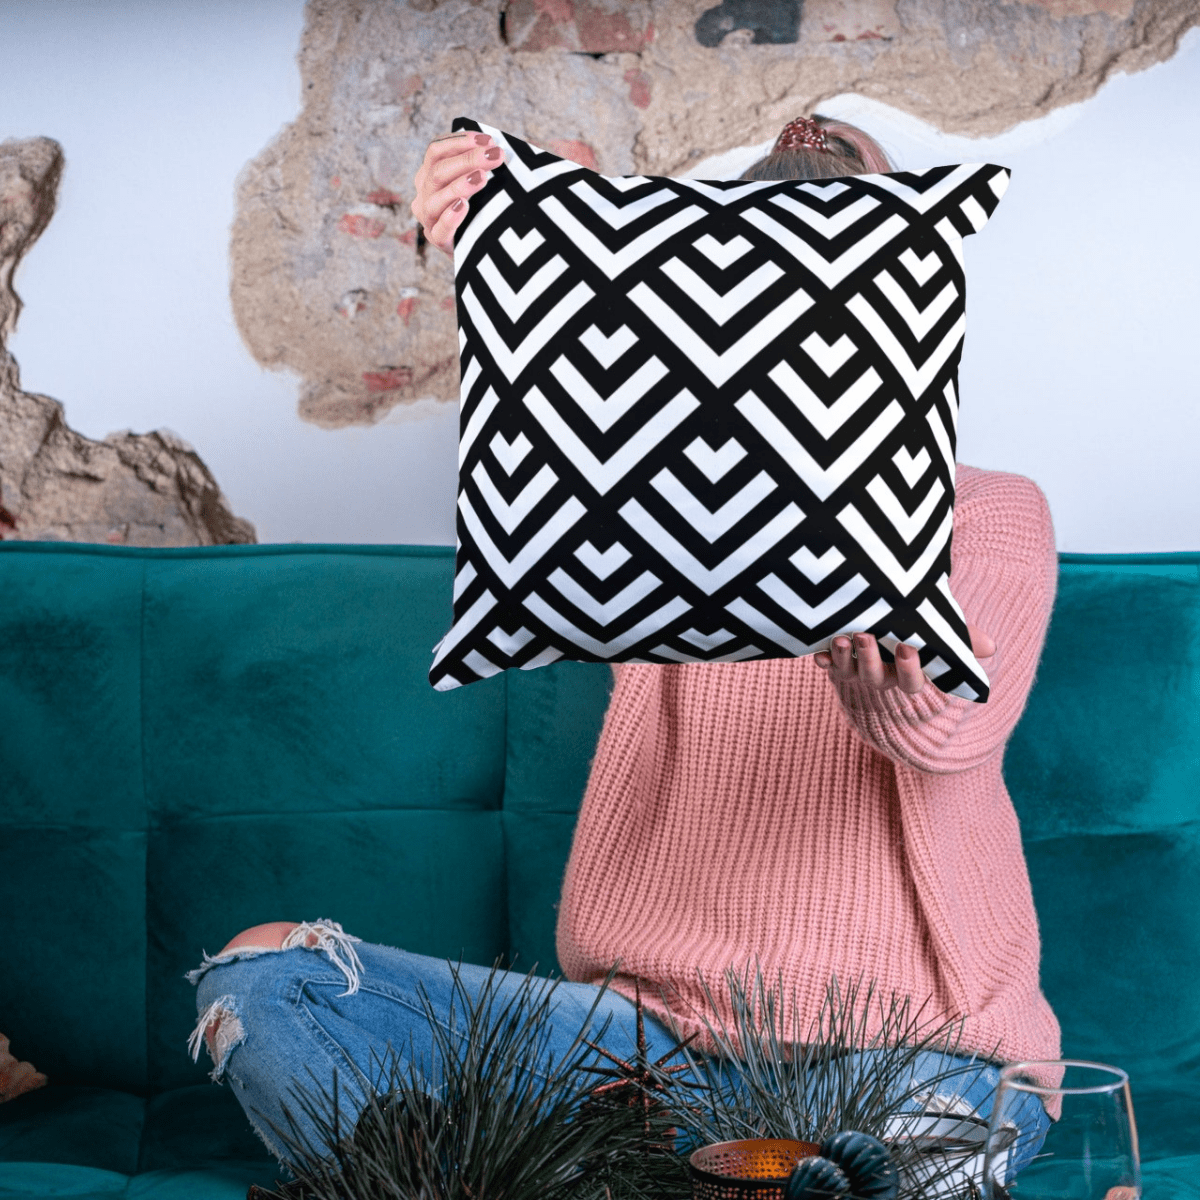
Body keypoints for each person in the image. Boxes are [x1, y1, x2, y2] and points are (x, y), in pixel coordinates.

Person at [190, 115, 1059, 1170]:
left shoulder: (991, 512)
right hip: (646, 1055)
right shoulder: (647, 508)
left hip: (914, 1056)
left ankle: (570, 1179)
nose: (807, 137)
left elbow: (959, 724)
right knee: (265, 978)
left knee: (904, 1156)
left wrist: (892, 694)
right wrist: (506, 241)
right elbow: (561, 407)